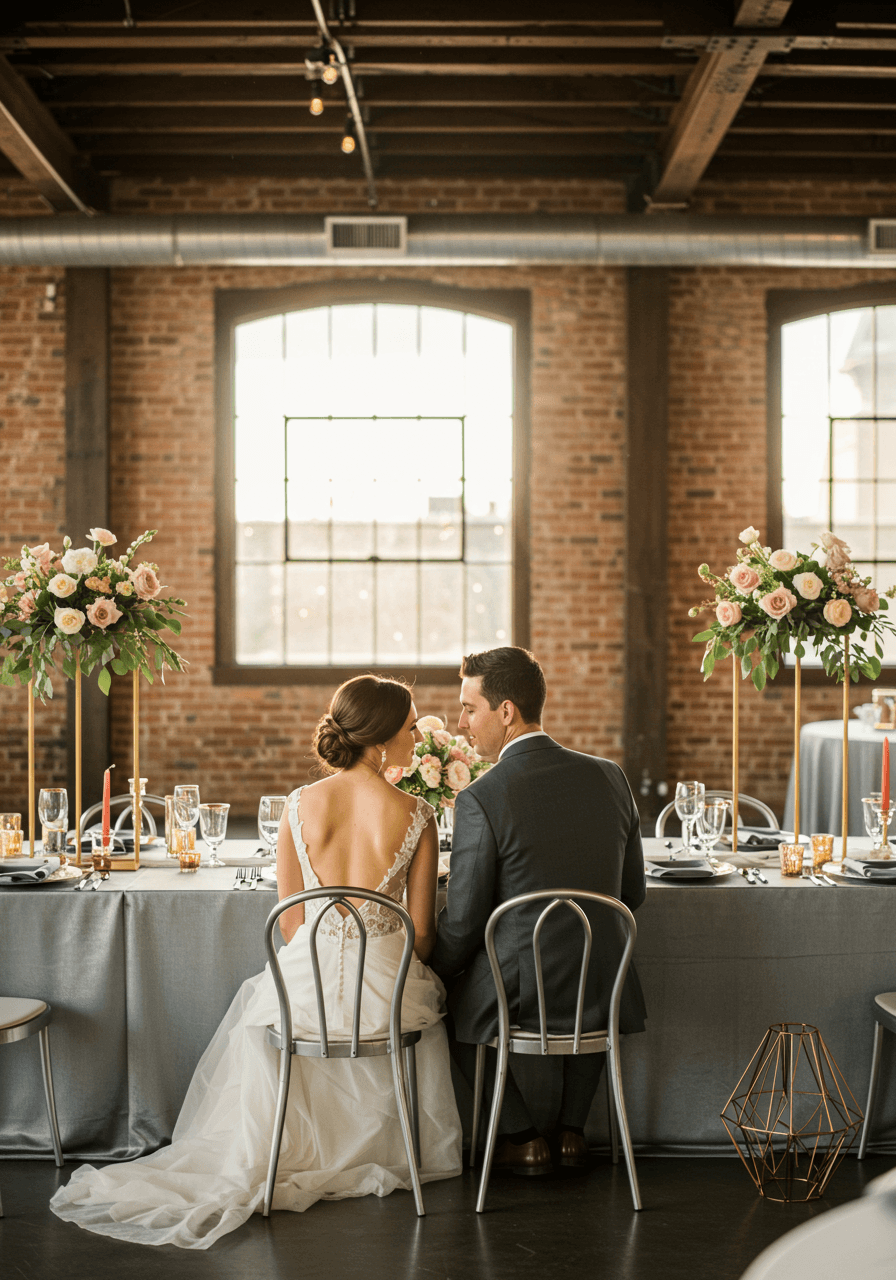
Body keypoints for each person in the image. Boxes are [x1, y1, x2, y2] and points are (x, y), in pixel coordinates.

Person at [50, 675, 462, 1250]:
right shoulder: (416, 812)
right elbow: (421, 935)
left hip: (306, 991)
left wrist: (329, 956)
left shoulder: (298, 805)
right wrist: (378, 957)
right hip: (384, 996)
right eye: (412, 725)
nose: (418, 735)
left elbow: (290, 924)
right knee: (421, 1003)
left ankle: (274, 1157)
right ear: (383, 734)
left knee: (271, 1014)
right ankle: (378, 1151)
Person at [431, 646, 646, 1176]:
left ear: (506, 713)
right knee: (590, 985)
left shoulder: (481, 797)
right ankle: (572, 1133)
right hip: (603, 978)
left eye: (469, 708)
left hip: (521, 991)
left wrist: (432, 969)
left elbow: (462, 924)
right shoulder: (611, 776)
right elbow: (631, 892)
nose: (461, 724)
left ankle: (522, 1137)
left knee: (435, 1008)